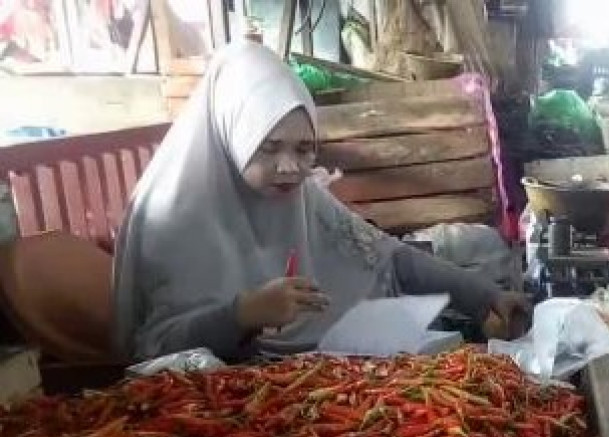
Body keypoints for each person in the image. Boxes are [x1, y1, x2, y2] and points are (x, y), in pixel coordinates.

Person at [112, 41, 529, 363]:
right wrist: (242, 314)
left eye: (304, 149)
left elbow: (387, 256)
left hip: (311, 383)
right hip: (215, 401)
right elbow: (153, 347)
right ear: (230, 132)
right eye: (268, 148)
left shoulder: (300, 195)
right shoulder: (173, 216)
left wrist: (484, 295)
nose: (290, 167)